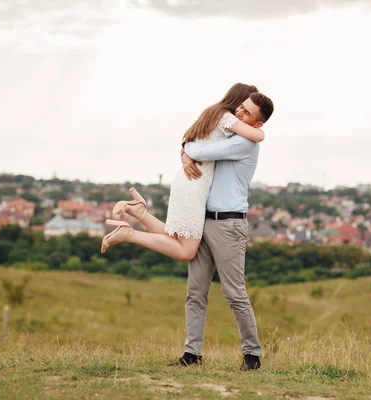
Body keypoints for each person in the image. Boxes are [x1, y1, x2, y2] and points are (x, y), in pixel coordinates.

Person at [102, 86, 275, 370]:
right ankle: (191, 354)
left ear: (258, 123)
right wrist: (186, 154)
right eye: (240, 107)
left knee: (234, 293)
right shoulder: (233, 132)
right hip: (204, 217)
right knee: (195, 291)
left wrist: (186, 151)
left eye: (247, 112)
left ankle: (252, 356)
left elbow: (197, 148)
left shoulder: (245, 143)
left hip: (228, 224)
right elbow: (198, 148)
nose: (239, 112)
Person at [100, 83, 265, 261]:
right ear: (239, 101)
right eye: (245, 106)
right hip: (195, 184)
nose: (243, 111)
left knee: (175, 237)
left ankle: (140, 213)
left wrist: (186, 158)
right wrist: (259, 127)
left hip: (186, 180)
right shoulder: (227, 118)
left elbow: (187, 141)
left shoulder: (212, 113)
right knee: (186, 251)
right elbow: (258, 136)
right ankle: (129, 234)